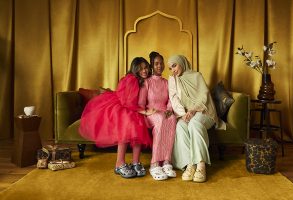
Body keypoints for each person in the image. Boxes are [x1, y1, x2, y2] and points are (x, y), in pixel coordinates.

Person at [79, 57, 152, 179]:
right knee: (128, 125)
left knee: (139, 127)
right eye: (141, 68)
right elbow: (127, 102)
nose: (144, 71)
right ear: (135, 69)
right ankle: (119, 163)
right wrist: (144, 111)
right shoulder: (131, 79)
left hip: (133, 108)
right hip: (123, 107)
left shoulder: (142, 81)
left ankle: (135, 162)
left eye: (146, 68)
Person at [167, 55, 219, 183]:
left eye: (174, 65)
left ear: (181, 63)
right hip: (188, 113)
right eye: (170, 68)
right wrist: (184, 114)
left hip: (204, 111)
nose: (173, 70)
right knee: (180, 125)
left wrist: (193, 110)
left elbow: (204, 96)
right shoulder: (174, 80)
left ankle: (201, 165)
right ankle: (190, 164)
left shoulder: (197, 76)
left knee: (194, 124)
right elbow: (175, 99)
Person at [138, 51, 177, 181]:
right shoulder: (146, 82)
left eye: (161, 63)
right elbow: (141, 104)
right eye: (156, 63)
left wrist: (170, 109)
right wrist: (148, 112)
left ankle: (166, 161)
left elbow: (171, 99)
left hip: (164, 111)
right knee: (160, 119)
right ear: (152, 66)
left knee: (171, 119)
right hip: (151, 113)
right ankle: (154, 163)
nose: (159, 66)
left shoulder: (167, 83)